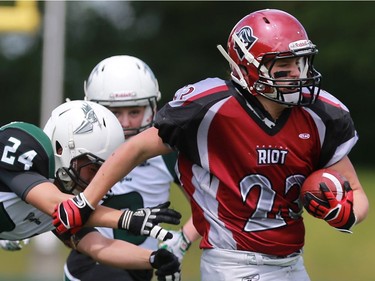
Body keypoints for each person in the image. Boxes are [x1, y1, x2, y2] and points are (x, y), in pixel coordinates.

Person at [53, 9, 369, 281]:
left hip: (291, 261)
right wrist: (84, 203)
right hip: (234, 262)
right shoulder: (208, 109)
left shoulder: (320, 114)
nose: (296, 74)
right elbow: (136, 148)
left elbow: (355, 193)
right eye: (282, 65)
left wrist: (346, 213)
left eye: (300, 63)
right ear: (248, 67)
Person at [0, 100, 181, 280]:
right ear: (62, 148)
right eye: (93, 169)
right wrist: (126, 218)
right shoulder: (27, 147)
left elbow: (97, 246)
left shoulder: (69, 198)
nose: (99, 181)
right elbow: (58, 204)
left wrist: (152, 258)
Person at [62, 55, 198, 281]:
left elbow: (208, 206)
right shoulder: (79, 148)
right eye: (115, 113)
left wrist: (181, 241)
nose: (125, 123)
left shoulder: (167, 153)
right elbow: (56, 200)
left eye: (134, 112)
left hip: (143, 264)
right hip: (91, 261)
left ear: (151, 107)